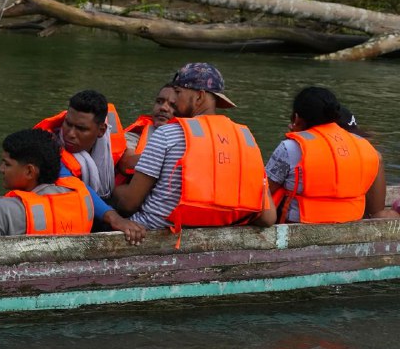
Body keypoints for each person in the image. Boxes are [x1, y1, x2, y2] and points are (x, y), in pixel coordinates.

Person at [113, 63, 276, 234]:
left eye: (178, 92)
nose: (173, 100)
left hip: (158, 230)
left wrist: (112, 192)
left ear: (199, 97)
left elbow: (128, 204)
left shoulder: (167, 134)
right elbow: (268, 217)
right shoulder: (246, 139)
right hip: (222, 232)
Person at [265, 86, 395, 223]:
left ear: (296, 118)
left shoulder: (290, 147)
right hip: (352, 225)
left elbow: (263, 192)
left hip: (298, 227)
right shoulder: (366, 147)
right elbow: (376, 210)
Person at [34, 90, 147, 242]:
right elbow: (74, 184)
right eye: (67, 124)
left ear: (101, 131)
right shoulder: (49, 146)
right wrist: (116, 219)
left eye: (81, 129)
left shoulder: (110, 145)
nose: (70, 134)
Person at [0, 129, 97, 238]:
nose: (1, 169)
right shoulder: (83, 199)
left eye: (7, 164)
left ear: (30, 171)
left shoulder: (4, 209)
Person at [116, 84, 178, 184]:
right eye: (159, 102)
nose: (163, 108)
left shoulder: (189, 139)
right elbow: (126, 163)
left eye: (172, 105)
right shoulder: (135, 135)